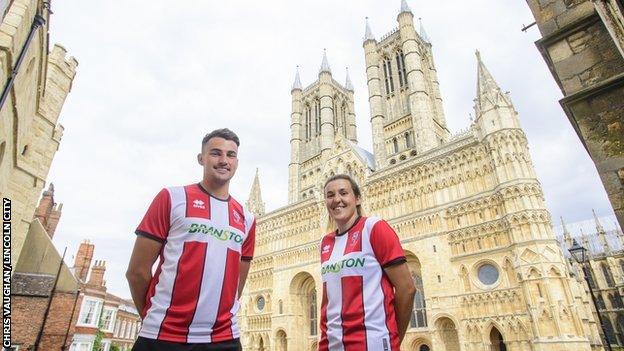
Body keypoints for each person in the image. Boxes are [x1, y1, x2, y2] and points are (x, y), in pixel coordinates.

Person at [126, 128, 255, 351]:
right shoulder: (172, 197)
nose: (224, 160)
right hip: (163, 336)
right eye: (216, 153)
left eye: (230, 155)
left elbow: (237, 285)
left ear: (236, 162)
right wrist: (154, 318)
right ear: (201, 158)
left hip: (224, 339)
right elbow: (136, 272)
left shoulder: (247, 218)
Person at [319, 174, 416, 351]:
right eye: (330, 195)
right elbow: (329, 302)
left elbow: (407, 288)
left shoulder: (374, 227)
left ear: (357, 198)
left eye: (343, 193)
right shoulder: (325, 243)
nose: (337, 199)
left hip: (374, 344)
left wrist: (392, 337)